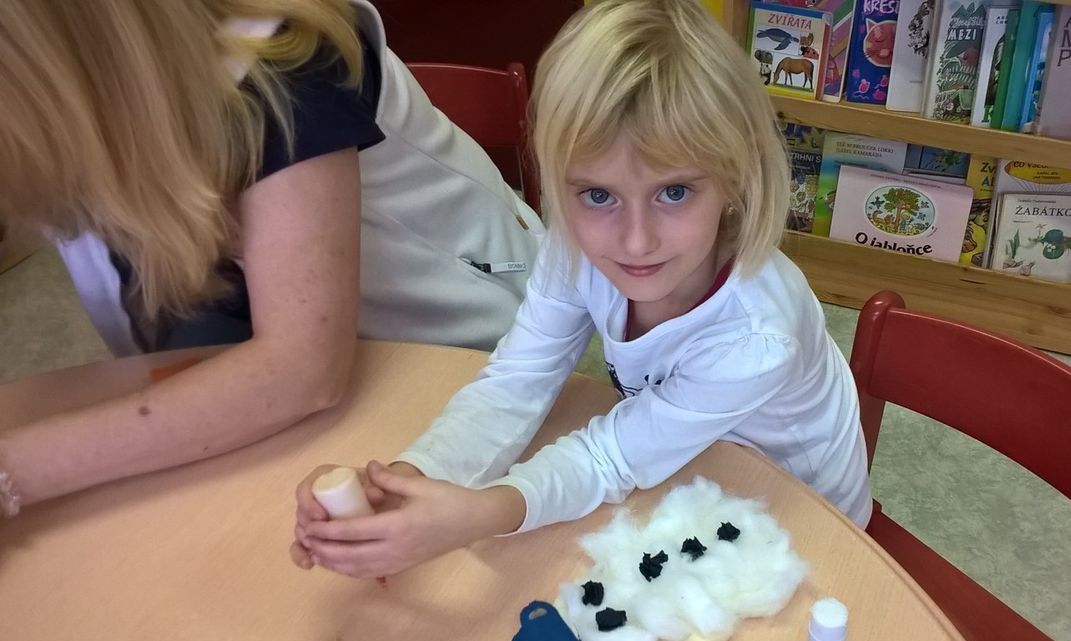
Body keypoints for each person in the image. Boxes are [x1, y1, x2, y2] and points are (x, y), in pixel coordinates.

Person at [290, 0, 872, 579]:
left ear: (736, 178)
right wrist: (410, 481)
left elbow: (610, 456)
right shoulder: (575, 247)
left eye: (674, 192)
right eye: (598, 195)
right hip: (679, 468)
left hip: (803, 518)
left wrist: (479, 514)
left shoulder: (757, 337)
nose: (635, 242)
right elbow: (518, 379)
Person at [0, 0, 538, 516]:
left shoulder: (282, 67)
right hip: (271, 373)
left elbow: (299, 371)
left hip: (474, 363)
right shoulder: (88, 101)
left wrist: (16, 470)